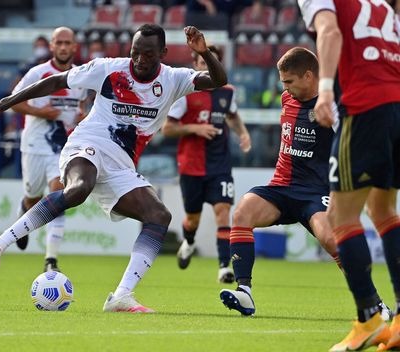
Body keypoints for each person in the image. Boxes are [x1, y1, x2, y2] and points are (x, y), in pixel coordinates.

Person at [0, 24, 227, 313]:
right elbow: (58, 80)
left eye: (148, 54)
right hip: (87, 143)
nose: (140, 60)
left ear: (163, 53)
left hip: (121, 164)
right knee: (78, 189)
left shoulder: (173, 78)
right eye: (135, 53)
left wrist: (204, 52)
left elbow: (219, 80)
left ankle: (121, 296)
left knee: (159, 215)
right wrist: (5, 103)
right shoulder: (109, 69)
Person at [218, 47, 392, 320]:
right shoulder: (288, 98)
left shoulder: (333, 106)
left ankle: (376, 306)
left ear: (309, 76)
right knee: (242, 213)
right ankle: (244, 291)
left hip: (316, 192)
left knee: (330, 239)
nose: (283, 87)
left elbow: (352, 149)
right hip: (282, 187)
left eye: (289, 81)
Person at [298, 1, 400, 351]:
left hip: (365, 107)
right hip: (396, 106)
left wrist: (325, 90)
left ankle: (369, 317)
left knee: (341, 216)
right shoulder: (379, 4)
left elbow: (329, 30)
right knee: (383, 211)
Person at [161, 45, 251, 283]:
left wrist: (243, 133)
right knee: (193, 219)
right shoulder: (186, 94)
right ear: (195, 65)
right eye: (201, 62)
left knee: (223, 212)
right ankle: (189, 241)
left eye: (210, 62)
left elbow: (232, 115)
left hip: (219, 165)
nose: (206, 67)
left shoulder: (227, 92)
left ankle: (224, 267)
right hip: (191, 166)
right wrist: (195, 128)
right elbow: (167, 128)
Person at [10, 27, 87, 273]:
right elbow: (14, 101)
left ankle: (51, 259)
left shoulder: (81, 75)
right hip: (34, 144)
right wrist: (40, 112)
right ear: (52, 46)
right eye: (59, 43)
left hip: (62, 147)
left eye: (68, 43)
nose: (64, 47)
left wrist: (81, 116)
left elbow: (81, 105)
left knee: (59, 195)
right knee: (33, 195)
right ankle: (25, 207)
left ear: (75, 47)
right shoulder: (38, 73)